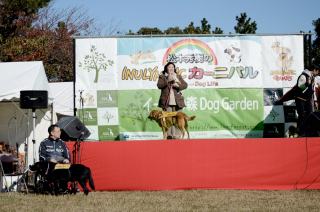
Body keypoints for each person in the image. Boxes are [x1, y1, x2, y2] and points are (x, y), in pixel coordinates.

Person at [157, 62, 188, 139]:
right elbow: (159, 85)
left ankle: (177, 136)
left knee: (178, 119)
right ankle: (169, 136)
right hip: (166, 102)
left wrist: (177, 86)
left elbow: (185, 85)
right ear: (166, 68)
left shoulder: (177, 76)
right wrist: (167, 81)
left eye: (172, 67)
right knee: (168, 120)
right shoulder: (162, 77)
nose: (171, 68)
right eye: (169, 67)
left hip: (178, 102)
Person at [294, 64, 319, 131]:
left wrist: (315, 101)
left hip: (307, 100)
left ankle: (309, 131)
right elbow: (300, 86)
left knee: (310, 116)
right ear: (314, 70)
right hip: (300, 98)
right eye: (317, 71)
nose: (318, 72)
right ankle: (299, 132)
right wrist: (307, 83)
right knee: (301, 115)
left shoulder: (312, 77)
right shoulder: (303, 75)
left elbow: (313, 90)